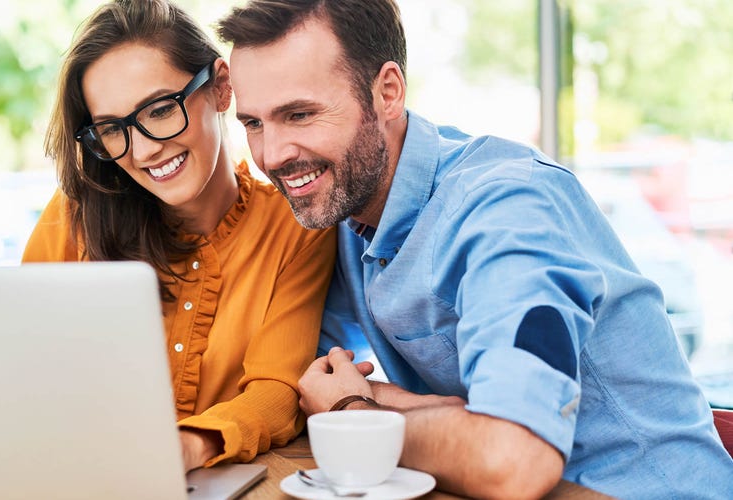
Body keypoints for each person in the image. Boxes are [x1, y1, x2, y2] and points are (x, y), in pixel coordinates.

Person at [216, 0, 733, 498]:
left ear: (388, 92)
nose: (272, 155)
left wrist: (356, 414)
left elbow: (512, 461)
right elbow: (316, 380)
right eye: (254, 123)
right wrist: (387, 403)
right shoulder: (347, 212)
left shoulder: (505, 209)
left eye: (300, 115)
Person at [23, 0, 336, 472]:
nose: (145, 150)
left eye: (160, 109)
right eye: (112, 129)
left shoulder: (296, 229)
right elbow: (17, 367)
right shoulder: (73, 216)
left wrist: (187, 447)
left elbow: (277, 391)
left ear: (220, 88)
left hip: (205, 479)